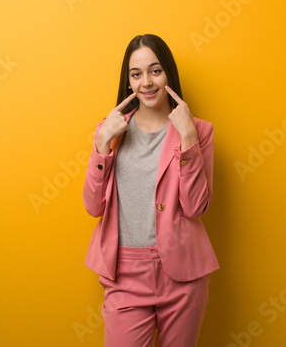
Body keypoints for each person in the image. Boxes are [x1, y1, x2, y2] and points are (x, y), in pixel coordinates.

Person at [82, 34, 219, 347]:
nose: (147, 82)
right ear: (128, 81)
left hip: (184, 274)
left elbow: (196, 206)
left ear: (168, 73)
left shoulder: (199, 130)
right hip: (125, 273)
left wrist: (188, 140)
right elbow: (93, 206)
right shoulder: (110, 131)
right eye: (136, 73)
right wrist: (102, 144)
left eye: (155, 71)